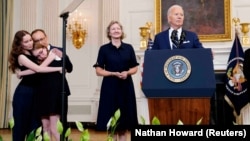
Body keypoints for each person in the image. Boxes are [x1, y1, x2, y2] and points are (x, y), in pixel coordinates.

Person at [8, 30, 62, 141]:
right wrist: (55, 64)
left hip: (37, 94)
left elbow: (34, 71)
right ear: (20, 44)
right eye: (26, 41)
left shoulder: (32, 52)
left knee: (36, 127)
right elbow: (38, 69)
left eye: (30, 40)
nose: (30, 43)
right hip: (24, 94)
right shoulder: (21, 56)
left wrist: (21, 73)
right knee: (21, 126)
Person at [93, 20, 139, 141]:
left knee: (124, 123)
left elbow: (135, 68)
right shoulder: (103, 49)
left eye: (118, 28)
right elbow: (98, 70)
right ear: (109, 32)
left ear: (122, 31)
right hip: (110, 88)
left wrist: (127, 72)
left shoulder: (129, 48)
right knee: (111, 123)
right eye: (113, 29)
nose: (116, 30)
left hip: (126, 87)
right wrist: (112, 73)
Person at [18, 42, 73, 141]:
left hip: (55, 94)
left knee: (54, 127)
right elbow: (36, 70)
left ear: (44, 47)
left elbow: (69, 68)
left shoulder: (55, 54)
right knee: (45, 127)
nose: (41, 55)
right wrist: (21, 72)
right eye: (38, 55)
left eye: (41, 51)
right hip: (42, 95)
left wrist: (63, 56)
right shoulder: (40, 62)